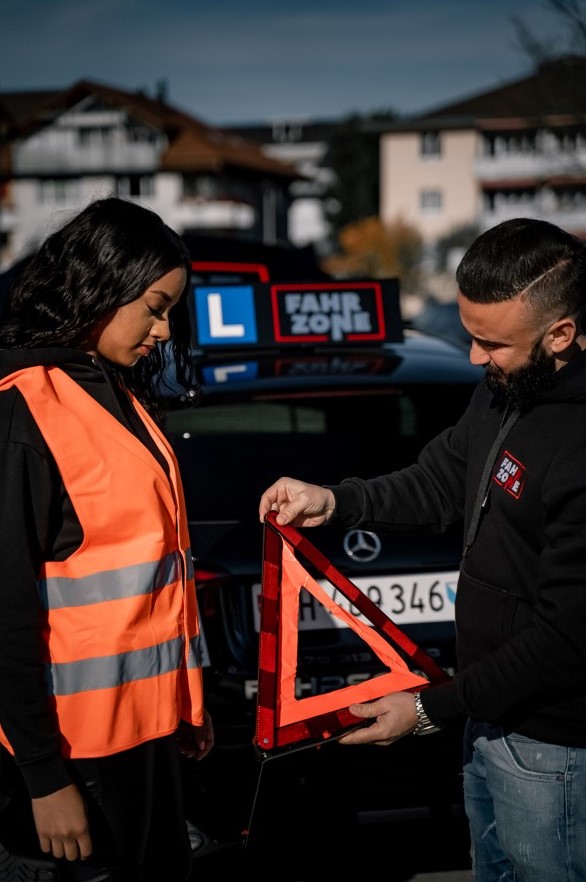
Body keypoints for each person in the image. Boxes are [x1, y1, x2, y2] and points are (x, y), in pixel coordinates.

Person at [259, 217, 586, 882]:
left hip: (554, 749)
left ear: (560, 334)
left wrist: (425, 709)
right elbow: (440, 480)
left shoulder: (578, 443)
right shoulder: (505, 388)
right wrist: (335, 500)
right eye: (468, 336)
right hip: (486, 721)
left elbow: (566, 637)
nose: (472, 358)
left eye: (490, 343)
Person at [0, 197, 214, 882]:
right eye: (154, 305)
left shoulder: (113, 393)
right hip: (73, 763)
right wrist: (42, 778)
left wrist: (189, 700)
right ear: (101, 285)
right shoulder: (26, 408)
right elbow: (4, 610)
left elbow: (153, 583)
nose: (164, 328)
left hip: (146, 746)